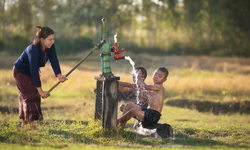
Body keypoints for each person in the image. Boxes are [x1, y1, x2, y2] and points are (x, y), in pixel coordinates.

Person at [13, 25, 68, 129]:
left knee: (32, 95)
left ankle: (25, 124)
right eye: (50, 39)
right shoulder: (33, 49)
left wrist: (59, 75)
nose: (52, 41)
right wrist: (40, 91)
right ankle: (31, 125)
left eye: (53, 39)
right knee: (31, 95)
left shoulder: (50, 47)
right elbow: (34, 71)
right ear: (42, 40)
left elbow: (54, 60)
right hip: (20, 72)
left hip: (30, 72)